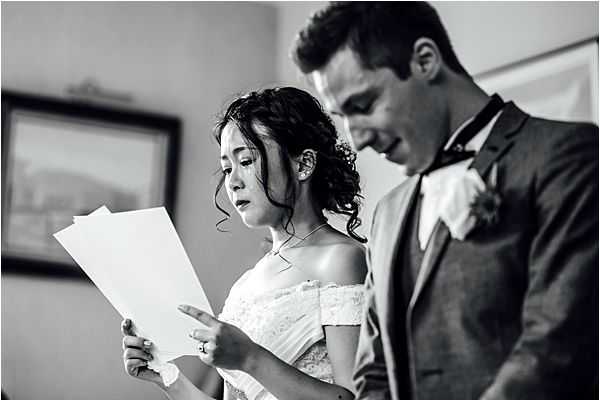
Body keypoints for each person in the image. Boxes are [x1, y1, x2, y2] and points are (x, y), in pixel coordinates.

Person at [292, 2, 599, 399]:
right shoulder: (386, 216)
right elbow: (373, 374)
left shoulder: (566, 156)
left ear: (424, 60)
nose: (357, 140)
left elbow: (555, 349)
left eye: (363, 105)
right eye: (343, 117)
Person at [121, 86, 368, 399]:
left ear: (303, 164)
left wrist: (250, 358)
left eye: (247, 161)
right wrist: (166, 376)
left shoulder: (341, 259)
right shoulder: (245, 285)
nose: (233, 182)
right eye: (227, 168)